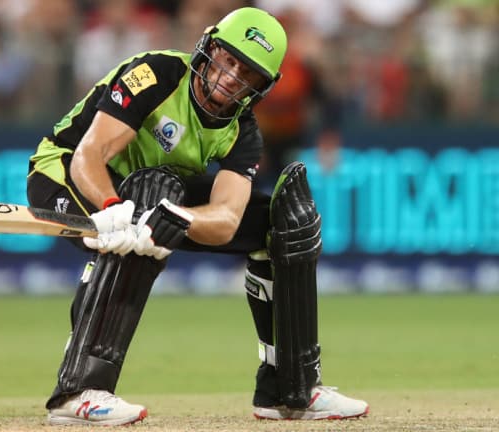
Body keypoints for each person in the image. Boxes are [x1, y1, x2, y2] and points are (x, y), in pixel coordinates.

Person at [26, 7, 369, 426]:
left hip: (149, 192)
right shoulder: (155, 74)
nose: (230, 77)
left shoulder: (242, 131)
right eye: (228, 59)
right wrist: (112, 208)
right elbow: (89, 155)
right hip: (65, 176)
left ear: (262, 88)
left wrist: (177, 218)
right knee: (148, 197)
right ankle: (78, 391)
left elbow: (226, 218)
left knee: (285, 222)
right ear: (208, 47)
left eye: (248, 74)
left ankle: (289, 390)